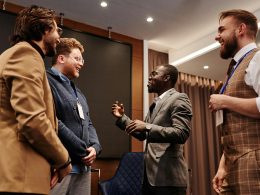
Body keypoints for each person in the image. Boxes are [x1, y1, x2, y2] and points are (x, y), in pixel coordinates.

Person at [0, 5, 72, 195]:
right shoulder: (26, 54)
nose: (59, 37)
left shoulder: (13, 55)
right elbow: (32, 121)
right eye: (57, 30)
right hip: (20, 176)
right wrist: (63, 159)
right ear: (45, 29)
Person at [112, 64, 192, 195]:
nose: (149, 77)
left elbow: (181, 133)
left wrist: (148, 126)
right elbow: (144, 134)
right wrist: (122, 118)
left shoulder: (179, 98)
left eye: (154, 74)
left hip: (168, 179)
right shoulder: (156, 103)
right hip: (150, 177)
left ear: (166, 78)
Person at [209, 9, 260, 194]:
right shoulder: (234, 68)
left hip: (254, 163)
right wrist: (223, 164)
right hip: (232, 165)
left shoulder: (258, 58)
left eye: (222, 30)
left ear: (241, 29)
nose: (217, 36)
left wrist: (225, 101)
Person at [47, 37, 102, 195]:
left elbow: (89, 124)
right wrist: (82, 150)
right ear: (61, 58)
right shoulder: (45, 81)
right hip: (60, 166)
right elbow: (51, 120)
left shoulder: (79, 93)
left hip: (83, 169)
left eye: (82, 59)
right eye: (77, 58)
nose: (82, 63)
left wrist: (95, 148)